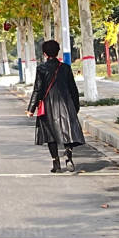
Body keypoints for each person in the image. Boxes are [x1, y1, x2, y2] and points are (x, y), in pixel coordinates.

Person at [26, 39, 85, 173]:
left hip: (48, 106)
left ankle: (56, 164)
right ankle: (68, 153)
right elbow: (73, 89)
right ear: (57, 52)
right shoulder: (65, 68)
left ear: (45, 53)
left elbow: (38, 89)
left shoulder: (41, 68)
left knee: (50, 134)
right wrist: (75, 106)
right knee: (68, 131)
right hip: (66, 103)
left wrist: (31, 109)